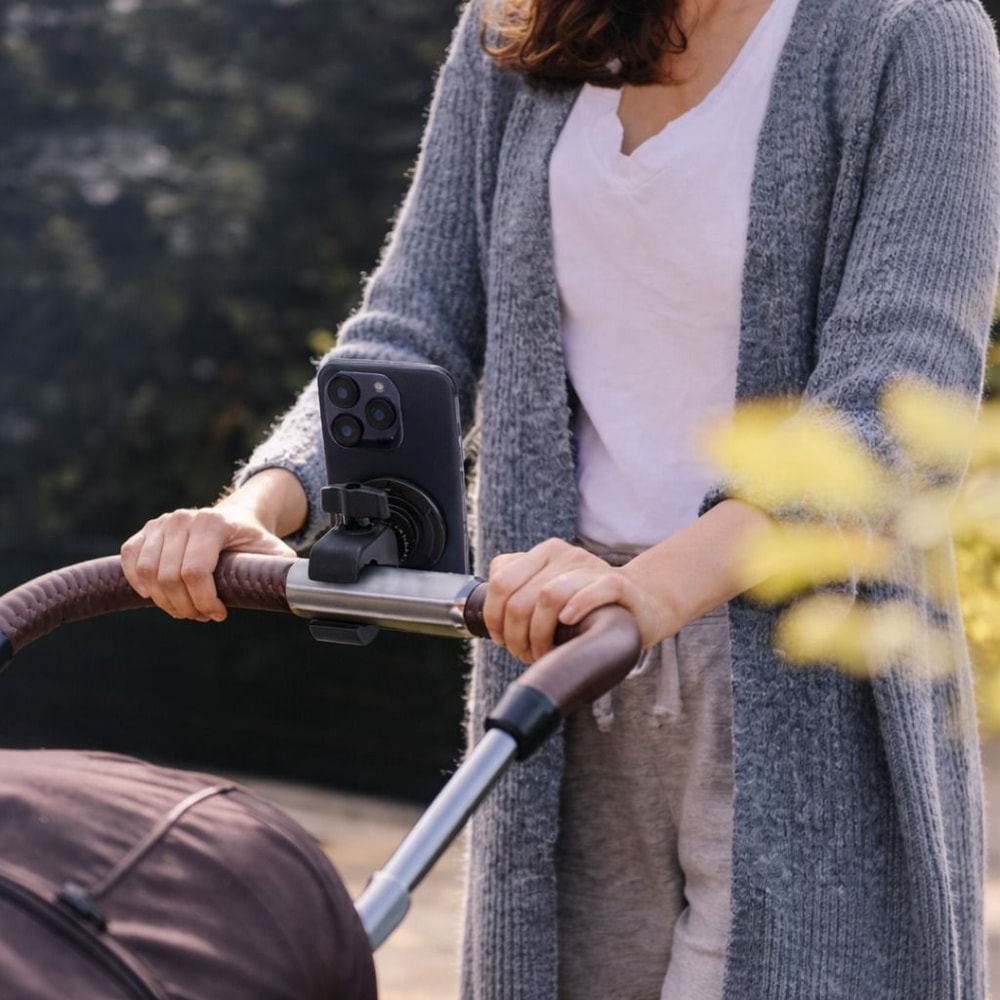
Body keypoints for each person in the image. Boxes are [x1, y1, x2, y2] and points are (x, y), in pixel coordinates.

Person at [120, 0, 1000, 995]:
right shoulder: (520, 23)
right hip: (552, 644)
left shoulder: (907, 33)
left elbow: (894, 400)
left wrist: (651, 593)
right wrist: (254, 510)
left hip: (790, 677)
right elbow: (415, 324)